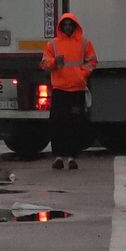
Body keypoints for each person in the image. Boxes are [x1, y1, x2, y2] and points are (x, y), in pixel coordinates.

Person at [40, 12, 98, 169]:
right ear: (61, 26)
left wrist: (82, 74)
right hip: (60, 90)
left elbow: (92, 61)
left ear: (74, 26)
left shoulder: (84, 43)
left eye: (70, 24)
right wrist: (54, 62)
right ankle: (58, 156)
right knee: (58, 124)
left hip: (77, 89)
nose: (67, 27)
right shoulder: (53, 44)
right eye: (64, 25)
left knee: (75, 125)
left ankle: (72, 157)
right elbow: (44, 63)